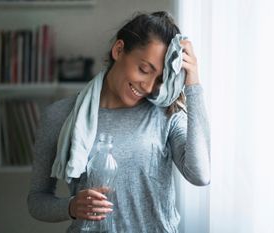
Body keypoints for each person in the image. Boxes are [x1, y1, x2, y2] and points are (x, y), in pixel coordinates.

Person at [27, 11, 210, 233]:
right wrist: (72, 206)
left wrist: (193, 84)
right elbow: (37, 200)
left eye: (159, 79)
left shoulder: (165, 114)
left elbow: (200, 175)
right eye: (144, 69)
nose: (148, 86)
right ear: (119, 50)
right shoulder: (61, 115)